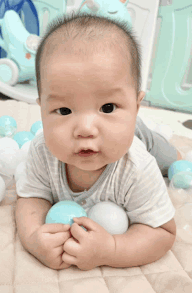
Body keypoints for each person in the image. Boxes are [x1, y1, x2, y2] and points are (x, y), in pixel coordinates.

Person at [15, 12, 182, 271]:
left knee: (170, 160)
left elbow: (163, 232)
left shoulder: (138, 168)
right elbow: (31, 198)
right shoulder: (41, 152)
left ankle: (151, 136)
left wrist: (112, 250)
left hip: (140, 137)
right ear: (41, 109)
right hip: (122, 132)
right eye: (64, 111)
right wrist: (33, 237)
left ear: (136, 106)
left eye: (107, 107)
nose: (85, 129)